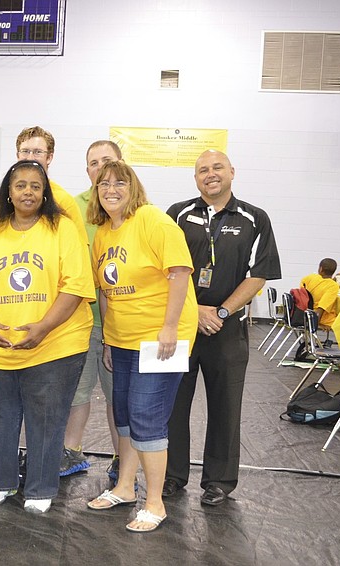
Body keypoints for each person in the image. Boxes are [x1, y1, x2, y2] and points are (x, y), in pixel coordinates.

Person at [0, 160, 94, 514]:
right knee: (0, 415)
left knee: (47, 417)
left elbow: (75, 287)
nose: (27, 192)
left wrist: (43, 328)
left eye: (35, 186)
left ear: (45, 192)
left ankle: (40, 486)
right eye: (20, 185)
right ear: (9, 190)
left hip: (55, 344)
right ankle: (1, 482)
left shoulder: (64, 229)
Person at [84, 161, 198, 533]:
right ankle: (124, 487)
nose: (111, 190)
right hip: (121, 340)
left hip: (160, 339)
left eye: (120, 182)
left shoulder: (153, 220)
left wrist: (168, 328)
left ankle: (154, 502)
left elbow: (179, 272)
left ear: (133, 187)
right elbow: (106, 291)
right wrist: (108, 339)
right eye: (104, 184)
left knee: (147, 416)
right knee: (124, 415)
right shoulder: (103, 233)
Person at [164, 150, 281, 507]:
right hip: (180, 326)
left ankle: (218, 481)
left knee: (226, 407)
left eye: (217, 168)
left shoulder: (255, 218)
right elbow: (164, 269)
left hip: (227, 329)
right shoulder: (177, 214)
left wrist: (222, 311)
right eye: (202, 170)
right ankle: (170, 475)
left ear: (232, 172)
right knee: (170, 404)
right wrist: (194, 310)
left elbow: (258, 274)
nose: (210, 174)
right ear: (195, 178)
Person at [62, 140, 122, 480]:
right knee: (78, 393)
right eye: (93, 163)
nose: (100, 168)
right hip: (81, 320)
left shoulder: (138, 209)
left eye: (108, 161)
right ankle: (70, 453)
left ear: (122, 164)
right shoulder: (73, 207)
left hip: (122, 325)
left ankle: (121, 459)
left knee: (118, 398)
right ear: (87, 171)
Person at [301, 258, 339, 328]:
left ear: (320, 269)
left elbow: (301, 293)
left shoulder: (309, 278)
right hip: (319, 318)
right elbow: (322, 307)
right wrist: (313, 325)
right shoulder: (333, 286)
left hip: (303, 312)